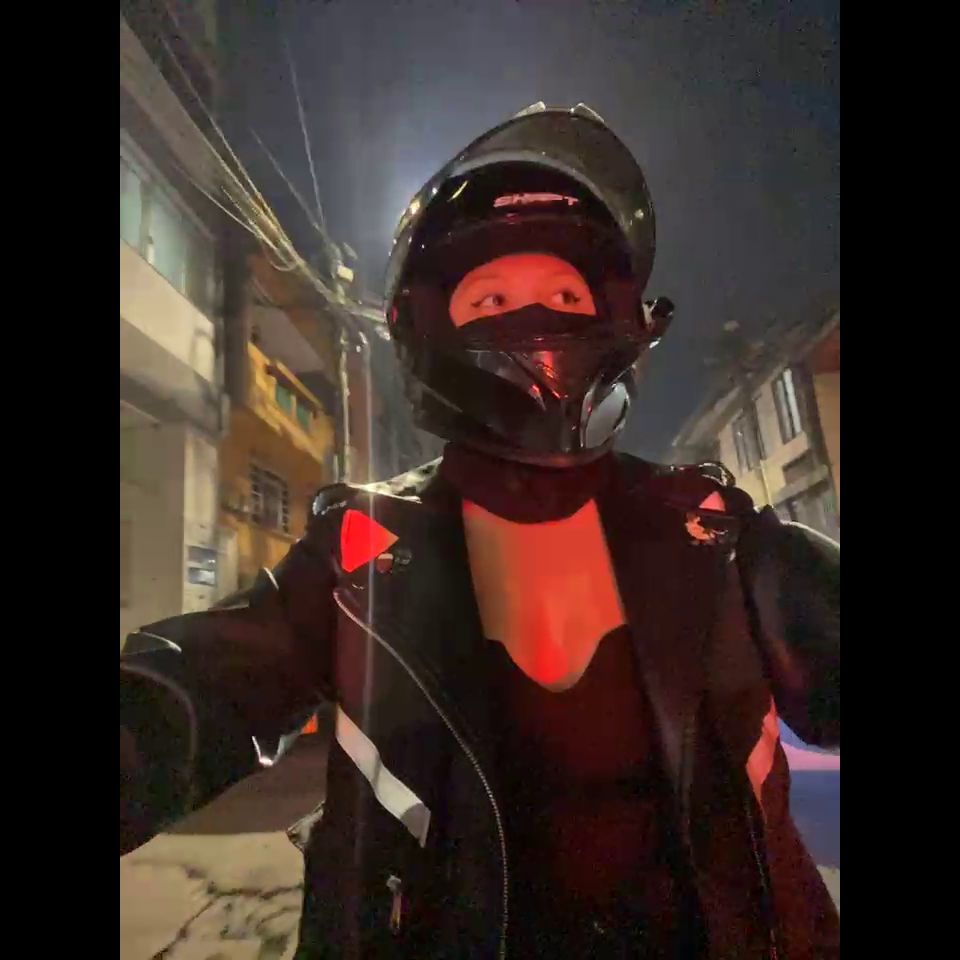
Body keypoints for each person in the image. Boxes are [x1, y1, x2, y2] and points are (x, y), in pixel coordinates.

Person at [120, 103, 840, 959]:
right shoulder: (363, 550)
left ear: (619, 318)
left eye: (564, 295)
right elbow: (197, 687)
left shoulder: (716, 533)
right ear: (431, 328)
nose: (535, 320)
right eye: (492, 297)